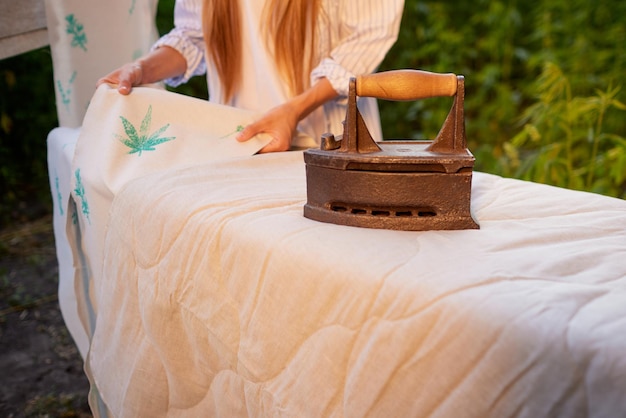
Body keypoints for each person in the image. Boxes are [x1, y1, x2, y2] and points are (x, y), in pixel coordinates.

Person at [98, 0, 405, 153]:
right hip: (239, 147)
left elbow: (369, 35)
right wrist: (143, 69)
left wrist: (294, 110)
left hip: (326, 150)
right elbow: (193, 37)